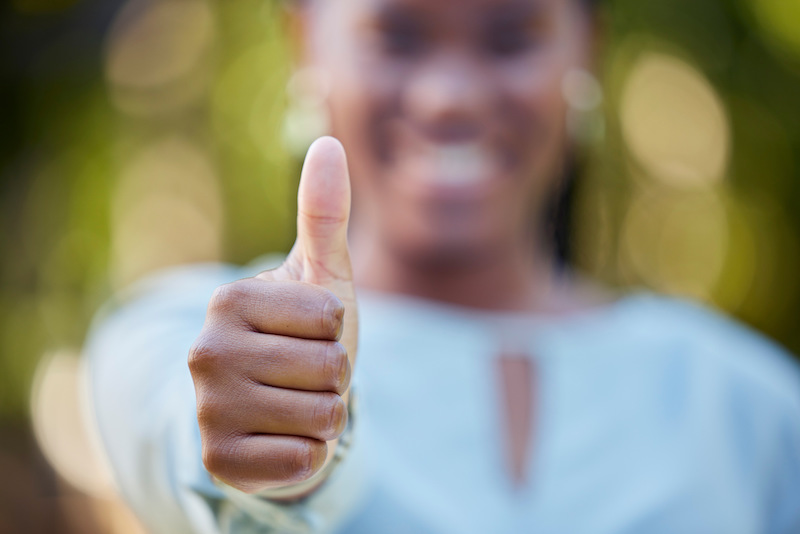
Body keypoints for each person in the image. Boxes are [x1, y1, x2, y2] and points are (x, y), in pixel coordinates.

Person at [85, 0, 800, 532]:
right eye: (396, 36)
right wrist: (276, 444)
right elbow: (181, 431)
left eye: (510, 37)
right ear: (305, 42)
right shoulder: (182, 340)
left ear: (587, 47)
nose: (449, 96)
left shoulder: (746, 405)